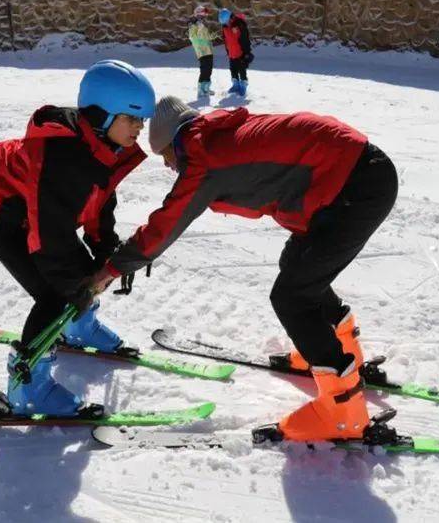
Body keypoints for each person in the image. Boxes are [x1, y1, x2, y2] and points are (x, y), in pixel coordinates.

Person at [89, 96, 398, 441]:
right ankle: (339, 353)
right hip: (352, 178)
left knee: (293, 297)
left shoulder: (204, 158)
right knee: (297, 269)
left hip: (355, 187)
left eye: (164, 155)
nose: (167, 165)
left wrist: (114, 267)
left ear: (175, 142)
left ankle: (342, 414)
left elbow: (168, 222)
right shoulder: (214, 134)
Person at [0, 60, 155, 416]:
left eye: (141, 120)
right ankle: (27, 389)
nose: (139, 128)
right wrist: (77, 290)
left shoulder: (102, 147)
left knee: (87, 272)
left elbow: (100, 202)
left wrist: (104, 254)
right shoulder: (62, 160)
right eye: (132, 119)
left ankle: (78, 328)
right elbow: (50, 238)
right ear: (101, 115)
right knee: (56, 293)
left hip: (35, 211)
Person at [218, 8, 253, 96]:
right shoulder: (225, 26)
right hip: (231, 52)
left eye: (226, 22)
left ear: (230, 18)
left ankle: (243, 86)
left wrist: (247, 53)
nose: (226, 24)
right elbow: (226, 40)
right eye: (224, 23)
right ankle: (235, 85)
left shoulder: (239, 24)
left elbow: (245, 39)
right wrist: (227, 50)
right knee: (233, 69)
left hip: (241, 52)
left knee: (242, 70)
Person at [188, 5, 218, 97]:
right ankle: (200, 89)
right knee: (204, 70)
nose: (204, 17)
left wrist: (213, 36)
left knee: (209, 70)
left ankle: (206, 88)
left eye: (205, 16)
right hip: (202, 51)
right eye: (203, 15)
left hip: (208, 50)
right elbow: (192, 37)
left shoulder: (202, 24)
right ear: (198, 14)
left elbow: (205, 36)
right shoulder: (193, 25)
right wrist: (199, 28)